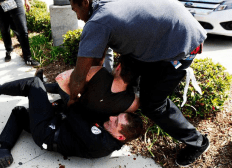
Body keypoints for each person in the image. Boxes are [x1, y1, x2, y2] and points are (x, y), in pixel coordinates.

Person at [68, 0, 209, 167]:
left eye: (74, 9)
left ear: (85, 3)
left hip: (181, 41)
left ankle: (198, 142)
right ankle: (119, 118)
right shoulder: (106, 6)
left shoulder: (97, 23)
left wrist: (73, 101)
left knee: (153, 104)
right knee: (127, 74)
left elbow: (78, 77)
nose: (76, 16)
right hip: (163, 30)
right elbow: (98, 59)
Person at [0, 74, 143, 168]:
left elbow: (73, 110)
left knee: (33, 84)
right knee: (19, 112)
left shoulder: (99, 142)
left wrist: (69, 87)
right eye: (116, 116)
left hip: (48, 132)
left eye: (116, 122)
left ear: (120, 137)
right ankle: (3, 151)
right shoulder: (110, 133)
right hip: (57, 126)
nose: (111, 118)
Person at [0, 0, 40, 66]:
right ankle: (8, 50)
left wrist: (26, 1)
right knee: (4, 28)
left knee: (22, 29)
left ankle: (28, 57)